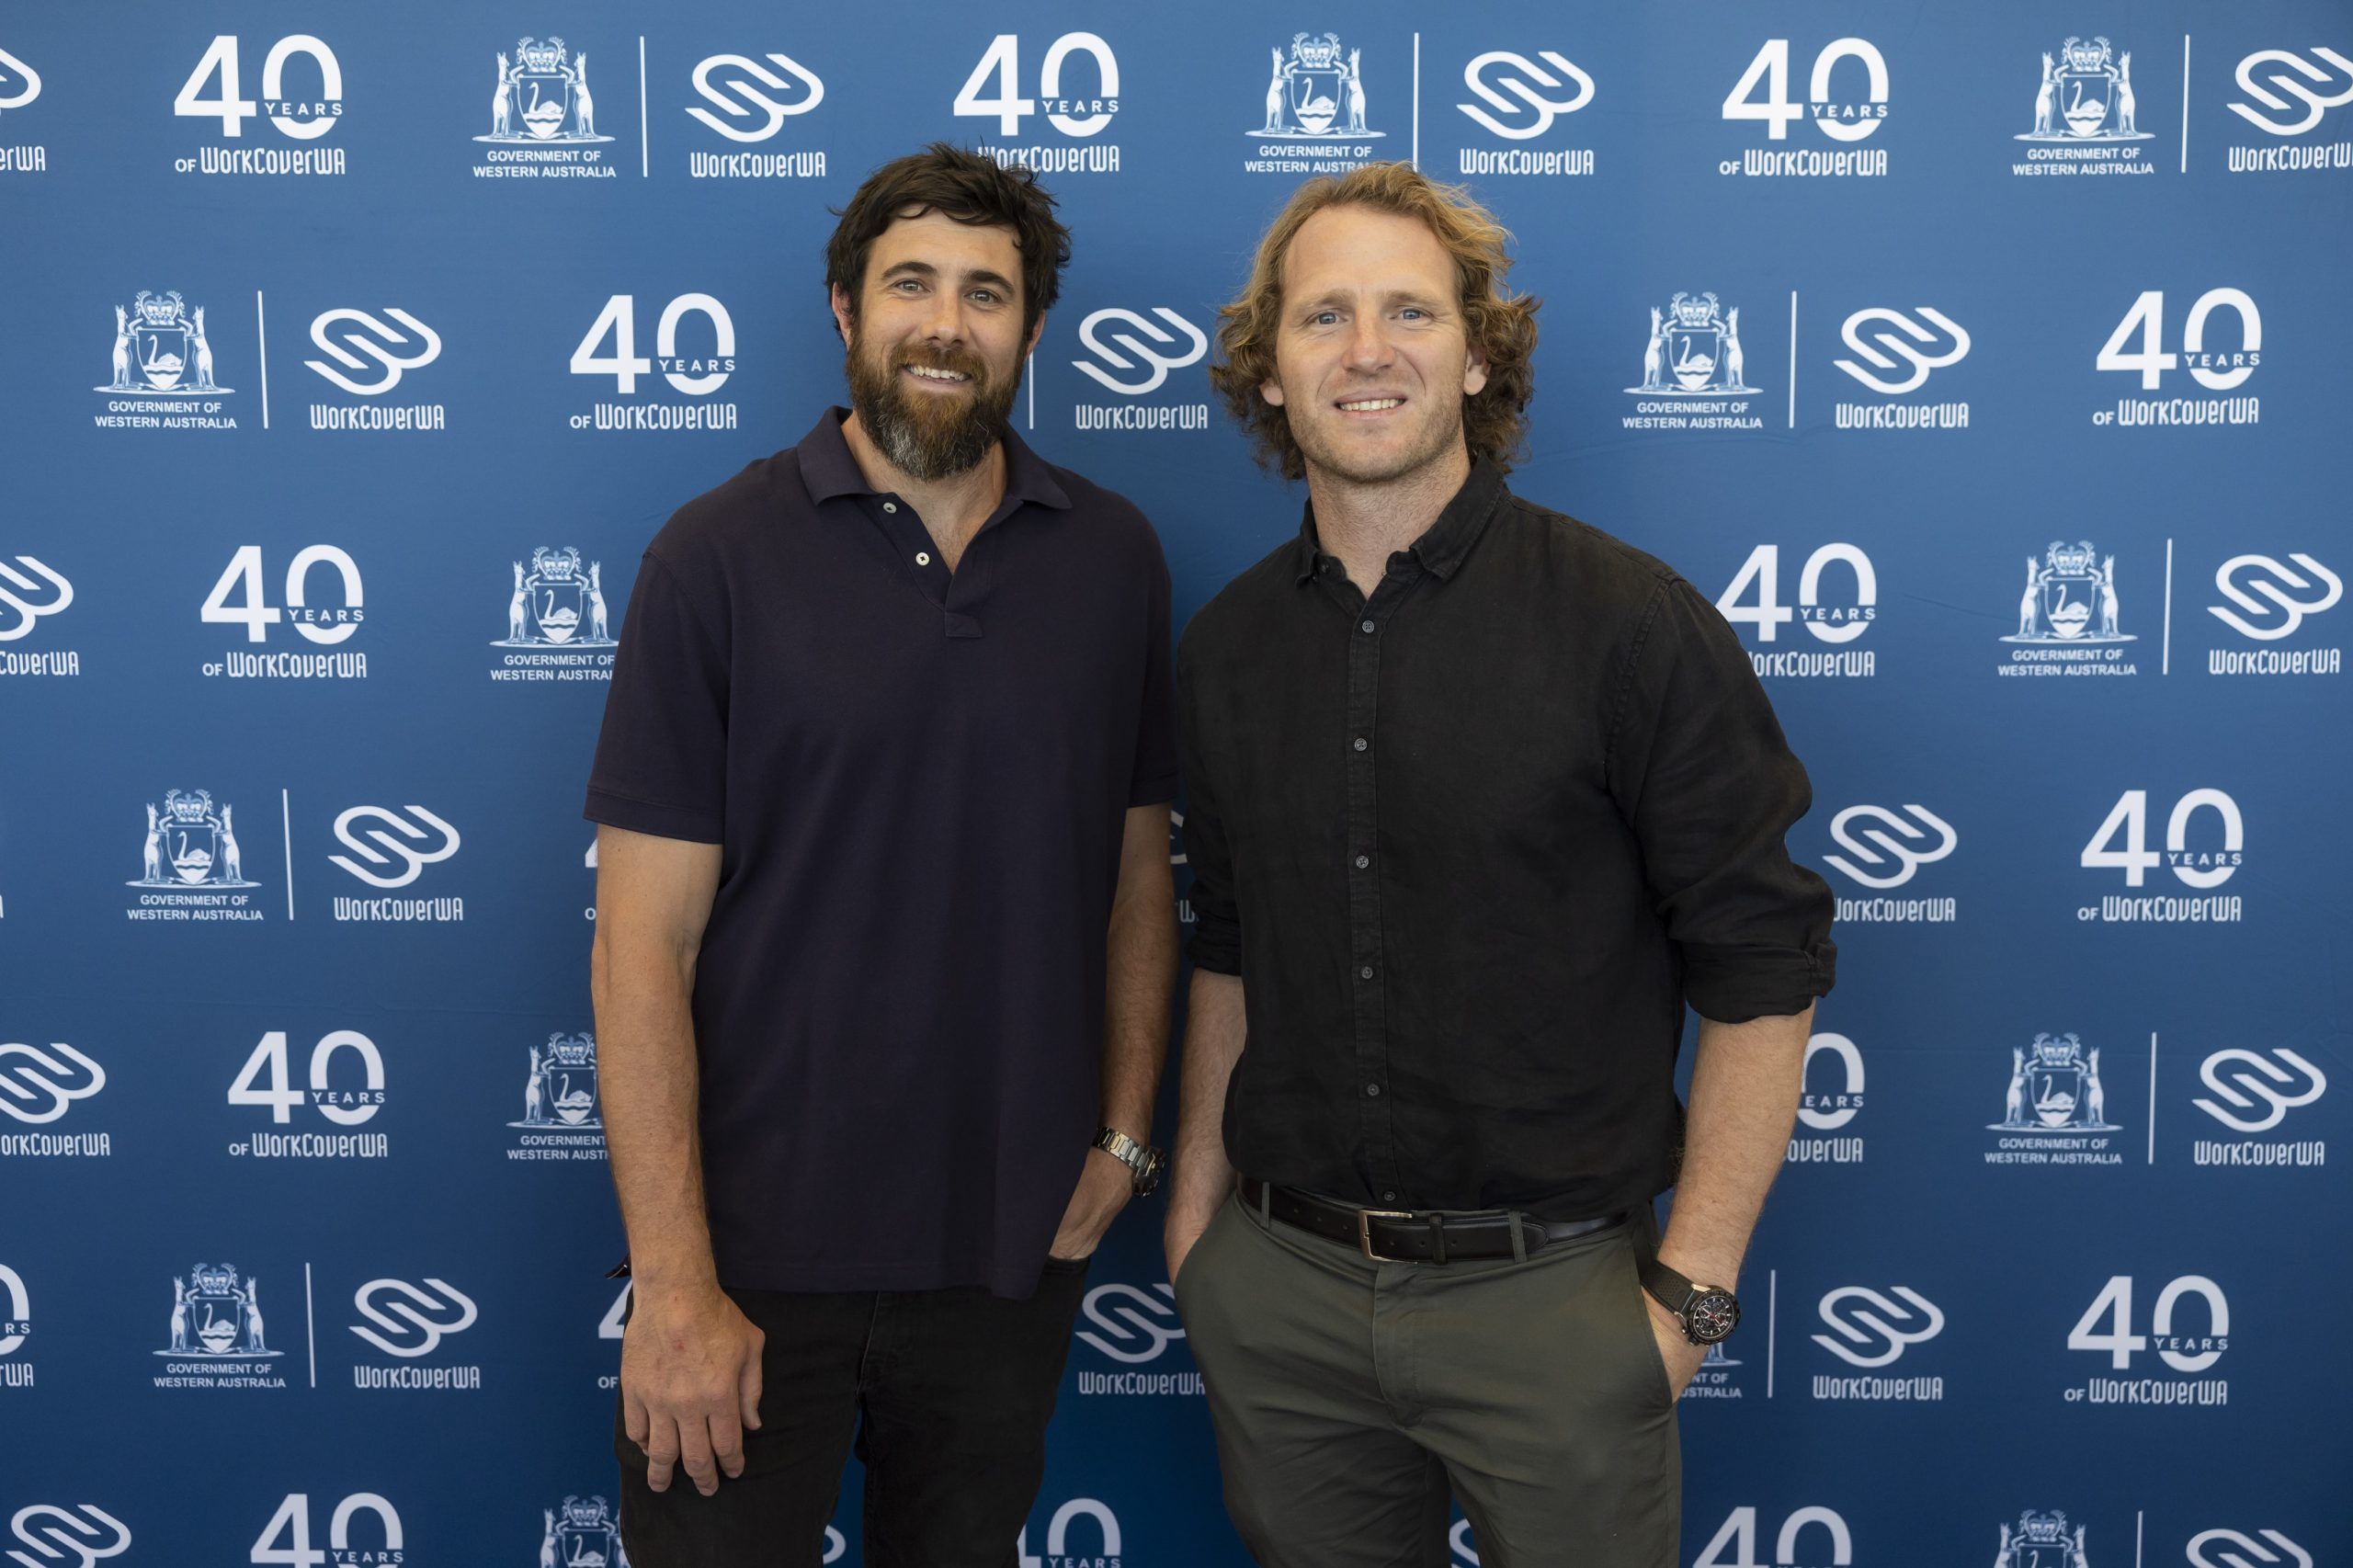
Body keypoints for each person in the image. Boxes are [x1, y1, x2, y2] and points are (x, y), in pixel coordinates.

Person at [1164, 163, 1836, 1567]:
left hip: (1560, 1308)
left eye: (1409, 311)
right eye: (1324, 316)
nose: (1367, 349)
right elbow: (1227, 940)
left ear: (1478, 355)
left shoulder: (1632, 628)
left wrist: (1694, 1293)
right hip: (1281, 1296)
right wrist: (1194, 1222)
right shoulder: (1226, 651)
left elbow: (1766, 968)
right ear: (1270, 370)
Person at [585, 142, 1179, 1566]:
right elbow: (642, 946)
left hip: (1006, 1256)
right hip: (747, 1263)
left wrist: (1122, 1131)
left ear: (1031, 329)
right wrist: (675, 1279)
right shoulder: (712, 558)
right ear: (846, 310)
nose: (945, 323)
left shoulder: (1114, 559)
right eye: (911, 283)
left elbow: (1137, 878)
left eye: (986, 292)